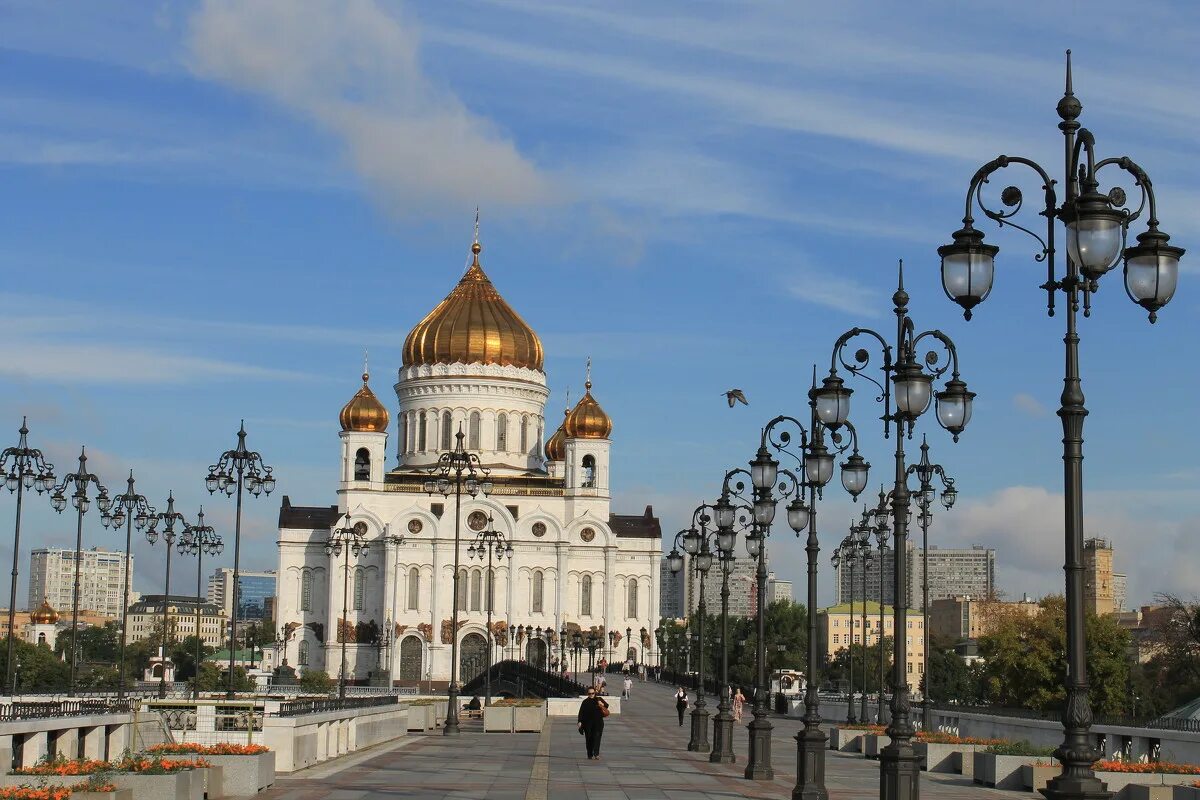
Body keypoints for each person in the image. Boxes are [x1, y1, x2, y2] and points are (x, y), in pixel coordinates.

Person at [577, 686, 610, 760]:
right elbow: (581, 713)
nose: (591, 695)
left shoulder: (599, 699)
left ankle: (596, 754)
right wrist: (579, 722)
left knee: (597, 738)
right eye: (590, 693)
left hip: (598, 723)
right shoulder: (585, 702)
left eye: (593, 693)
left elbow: (607, 706)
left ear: (595, 693)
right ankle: (589, 754)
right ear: (587, 694)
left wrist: (602, 704)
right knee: (589, 739)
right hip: (587, 724)